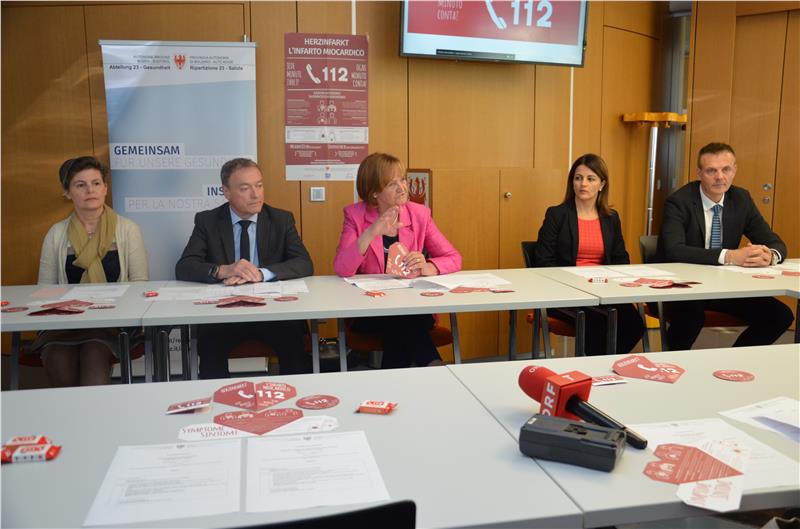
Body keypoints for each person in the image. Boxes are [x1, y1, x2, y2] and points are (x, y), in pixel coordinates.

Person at [175, 158, 313, 378]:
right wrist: (224, 270)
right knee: (210, 342)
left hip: (273, 312)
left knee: (294, 342)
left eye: (259, 185)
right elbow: (184, 266)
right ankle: (216, 398)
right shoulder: (208, 221)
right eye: (245, 188)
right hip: (225, 314)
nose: (256, 194)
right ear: (226, 192)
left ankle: (297, 397)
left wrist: (261, 273)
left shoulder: (281, 219)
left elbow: (304, 263)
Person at [656, 142, 793, 350]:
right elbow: (674, 250)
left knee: (780, 315)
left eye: (726, 169)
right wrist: (729, 256)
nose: (720, 177)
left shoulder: (741, 199)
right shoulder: (679, 201)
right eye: (711, 171)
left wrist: (770, 255)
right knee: (690, 318)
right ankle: (672, 364)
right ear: (699, 173)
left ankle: (736, 362)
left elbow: (775, 242)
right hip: (684, 286)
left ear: (734, 170)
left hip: (724, 287)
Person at [333, 152, 462, 368]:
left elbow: (454, 258)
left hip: (412, 306)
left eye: (402, 180)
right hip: (370, 309)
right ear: (374, 192)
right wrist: (372, 232)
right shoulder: (355, 215)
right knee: (402, 321)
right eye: (392, 184)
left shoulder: (419, 214)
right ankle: (432, 364)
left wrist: (429, 267)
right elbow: (342, 268)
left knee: (402, 318)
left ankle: (401, 378)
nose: (402, 188)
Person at [35, 156, 149, 386]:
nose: (90, 190)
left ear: (105, 189)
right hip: (65, 324)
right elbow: (44, 290)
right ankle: (69, 411)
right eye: (81, 185)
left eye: (96, 183)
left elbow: (140, 284)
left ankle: (94, 411)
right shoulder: (56, 234)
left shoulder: (128, 230)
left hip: (112, 322)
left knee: (94, 353)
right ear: (67, 193)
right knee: (57, 356)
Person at [534, 153, 645, 355]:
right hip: (565, 292)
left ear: (602, 184)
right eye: (578, 178)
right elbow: (543, 261)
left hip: (604, 290)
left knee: (634, 324)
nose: (583, 184)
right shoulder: (557, 215)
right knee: (599, 322)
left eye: (590, 179)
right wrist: (576, 280)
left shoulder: (611, 218)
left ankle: (603, 364)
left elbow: (621, 258)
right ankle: (593, 367)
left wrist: (613, 281)